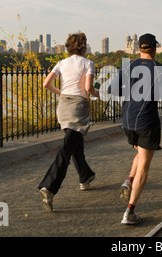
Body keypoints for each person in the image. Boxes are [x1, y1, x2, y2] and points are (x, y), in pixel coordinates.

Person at [108, 33, 162, 225]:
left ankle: (129, 181)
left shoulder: (128, 65)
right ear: (155, 48)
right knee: (144, 168)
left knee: (140, 154)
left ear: (139, 48)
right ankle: (129, 212)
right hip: (147, 122)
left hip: (128, 122)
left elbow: (111, 90)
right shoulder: (161, 69)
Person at [38, 31, 99, 212]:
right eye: (86, 44)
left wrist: (61, 93)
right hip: (78, 107)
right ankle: (49, 187)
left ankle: (85, 176)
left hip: (63, 106)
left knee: (74, 142)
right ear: (82, 47)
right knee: (66, 149)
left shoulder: (61, 63)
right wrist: (96, 94)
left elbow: (46, 84)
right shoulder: (88, 63)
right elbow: (88, 87)